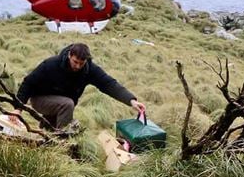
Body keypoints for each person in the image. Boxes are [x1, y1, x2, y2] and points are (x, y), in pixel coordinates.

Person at [15, 42, 146, 129]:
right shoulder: (51, 64)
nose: (77, 66)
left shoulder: (90, 70)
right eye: (75, 62)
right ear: (69, 55)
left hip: (59, 102)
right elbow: (28, 83)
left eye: (81, 63)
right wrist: (17, 109)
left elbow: (109, 84)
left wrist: (131, 100)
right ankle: (62, 144)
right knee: (67, 105)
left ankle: (46, 138)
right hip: (40, 99)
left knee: (56, 124)